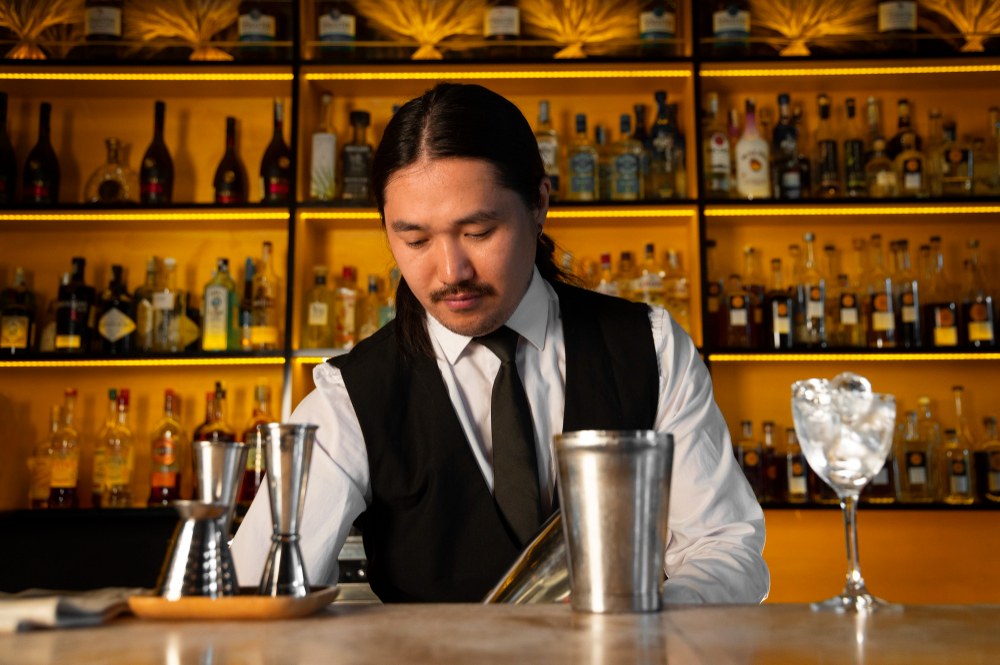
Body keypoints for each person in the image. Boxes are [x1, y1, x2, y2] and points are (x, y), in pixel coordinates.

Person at [232, 83, 769, 604]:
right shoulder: (349, 397)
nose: (451, 271)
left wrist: (649, 616)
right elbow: (256, 592)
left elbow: (725, 546)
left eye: (478, 232)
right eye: (415, 239)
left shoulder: (651, 348)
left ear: (539, 204)